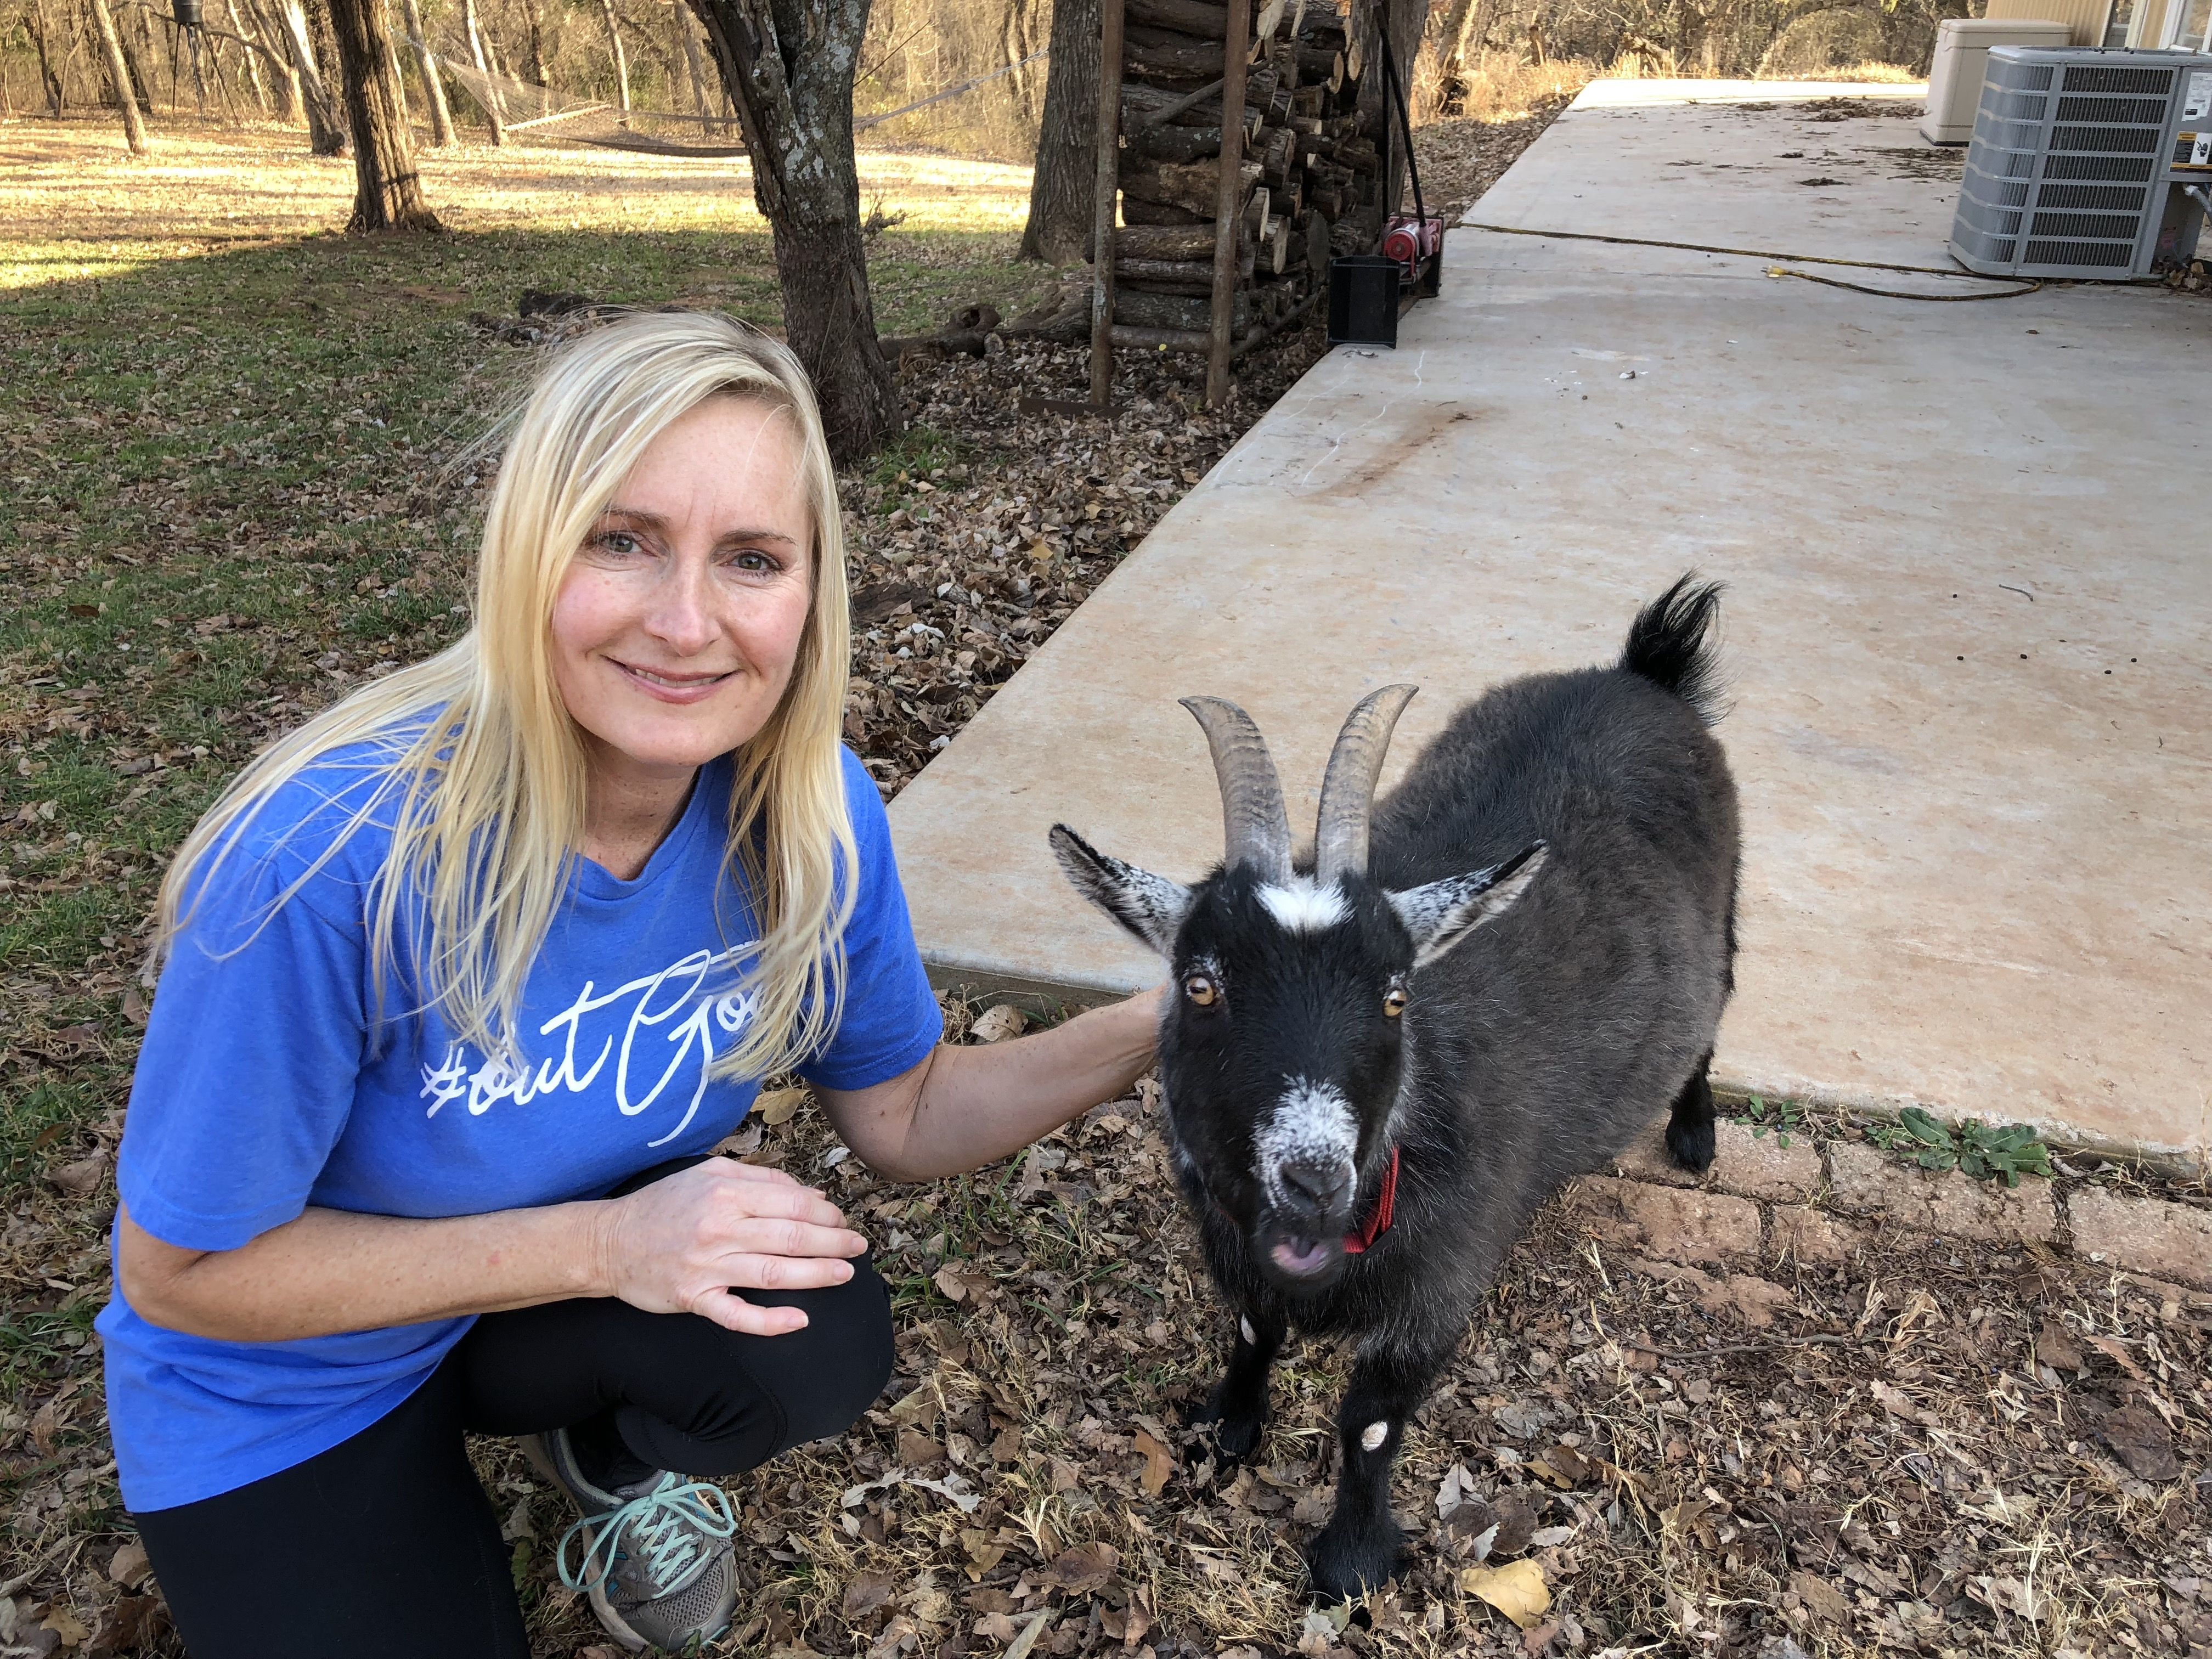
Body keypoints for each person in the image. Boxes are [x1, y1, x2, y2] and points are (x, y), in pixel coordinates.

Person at [99, 311, 1161, 1658]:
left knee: (808, 1336)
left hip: (521, 1307)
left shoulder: (809, 814)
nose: (686, 621)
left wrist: (1169, 1023)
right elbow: (183, 1273)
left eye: (753, 560)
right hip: (284, 1379)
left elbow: (904, 1113)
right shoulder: (334, 858)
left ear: (810, 594)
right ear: (529, 550)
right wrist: (609, 1249)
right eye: (623, 539)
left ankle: (599, 1443)